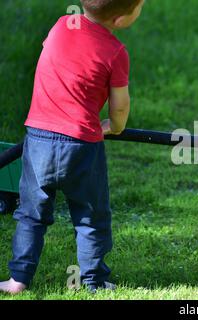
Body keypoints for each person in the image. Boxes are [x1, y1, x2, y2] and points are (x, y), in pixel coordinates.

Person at [0, 0, 146, 294]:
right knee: (90, 215)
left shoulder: (60, 25)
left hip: (38, 139)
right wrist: (114, 127)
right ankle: (94, 280)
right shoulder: (116, 52)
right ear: (120, 19)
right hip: (81, 145)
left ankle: (17, 280)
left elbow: (55, 66)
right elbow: (120, 106)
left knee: (31, 214)